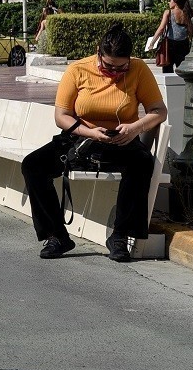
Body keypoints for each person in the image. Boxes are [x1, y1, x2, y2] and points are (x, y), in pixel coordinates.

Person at [21, 23, 168, 262]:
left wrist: (134, 128)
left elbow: (159, 111)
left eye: (122, 67)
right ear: (98, 53)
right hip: (81, 137)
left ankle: (120, 236)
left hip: (121, 138)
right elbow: (62, 116)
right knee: (33, 165)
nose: (115, 72)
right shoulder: (78, 69)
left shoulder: (139, 69)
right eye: (109, 66)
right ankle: (57, 236)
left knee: (142, 162)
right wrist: (90, 133)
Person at [155, 0, 193, 74]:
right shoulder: (188, 13)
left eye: (170, 0)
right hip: (184, 44)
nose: (169, 2)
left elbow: (161, 28)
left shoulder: (168, 12)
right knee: (182, 70)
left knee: (167, 70)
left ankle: (170, 86)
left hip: (170, 44)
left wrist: (153, 42)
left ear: (175, 3)